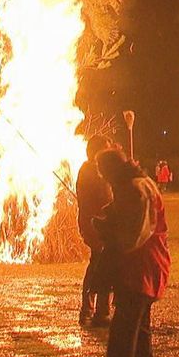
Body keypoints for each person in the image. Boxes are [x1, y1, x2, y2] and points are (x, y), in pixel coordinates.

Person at [94, 149, 170, 357]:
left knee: (123, 336)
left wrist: (107, 231)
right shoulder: (138, 183)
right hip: (146, 266)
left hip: (141, 267)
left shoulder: (135, 188)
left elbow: (135, 235)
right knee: (140, 331)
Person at [78, 135, 115, 326]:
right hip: (93, 224)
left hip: (104, 223)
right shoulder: (89, 170)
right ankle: (88, 308)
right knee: (97, 263)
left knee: (105, 263)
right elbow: (100, 196)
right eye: (105, 149)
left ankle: (101, 310)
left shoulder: (99, 170)